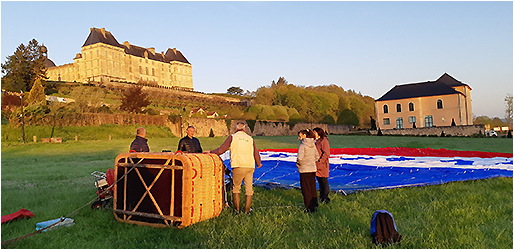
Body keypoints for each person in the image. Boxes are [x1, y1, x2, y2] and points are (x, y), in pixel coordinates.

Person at [209, 121, 262, 213]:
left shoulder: (232, 137)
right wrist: (258, 163)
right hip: (250, 166)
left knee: (236, 187)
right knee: (249, 188)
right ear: (245, 129)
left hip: (238, 165)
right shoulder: (250, 139)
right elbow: (255, 152)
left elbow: (221, 150)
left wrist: (210, 152)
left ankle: (237, 210)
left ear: (236, 129)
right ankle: (247, 211)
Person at [296, 129, 320, 213]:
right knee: (312, 188)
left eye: (300, 135)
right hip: (312, 169)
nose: (299, 137)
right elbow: (317, 156)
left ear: (305, 136)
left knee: (306, 189)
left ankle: (309, 207)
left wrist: (299, 164)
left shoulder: (303, 146)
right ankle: (314, 205)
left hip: (304, 170)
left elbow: (300, 158)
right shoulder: (313, 145)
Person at [313, 127, 331, 204]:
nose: (313, 134)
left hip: (322, 165)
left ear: (318, 133)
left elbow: (326, 153)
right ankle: (322, 196)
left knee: (323, 181)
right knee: (320, 181)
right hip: (317, 164)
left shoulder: (324, 141)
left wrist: (321, 162)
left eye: (314, 132)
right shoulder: (316, 141)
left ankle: (325, 198)